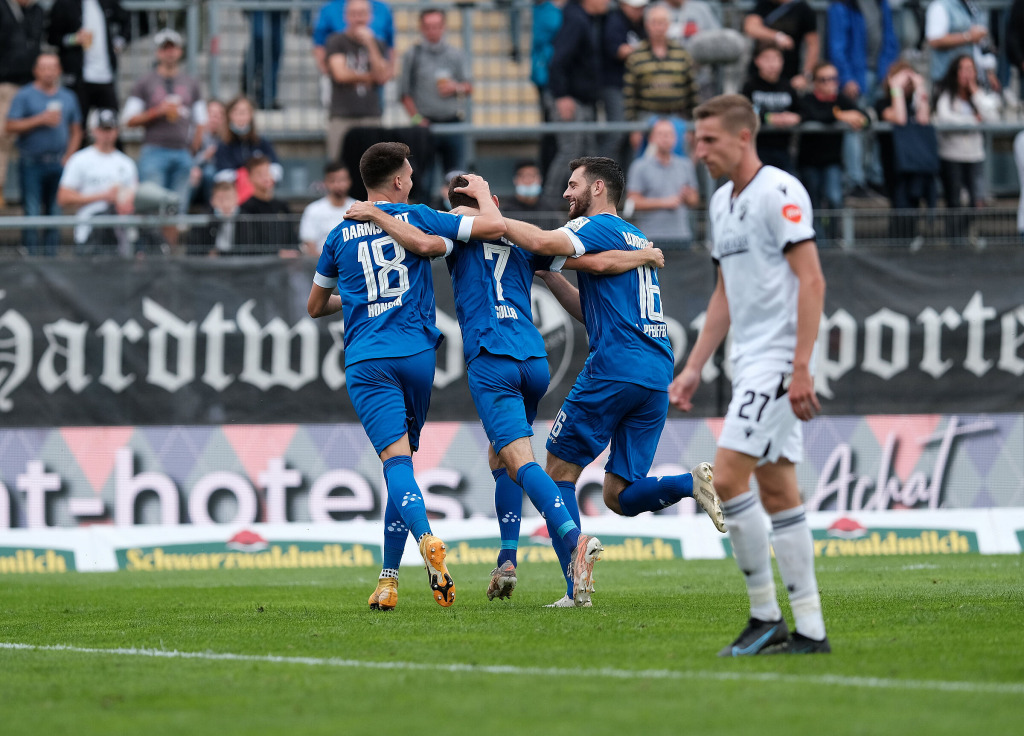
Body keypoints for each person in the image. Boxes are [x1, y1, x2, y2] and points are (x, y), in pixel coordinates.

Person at [502, 156, 726, 607]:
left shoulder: (595, 226)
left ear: (598, 188)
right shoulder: (634, 236)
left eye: (573, 184)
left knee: (557, 472)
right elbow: (592, 311)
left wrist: (494, 220)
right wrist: (549, 274)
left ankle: (575, 590)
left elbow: (544, 240)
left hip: (615, 366)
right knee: (618, 496)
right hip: (655, 371)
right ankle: (691, 484)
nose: (566, 193)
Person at [306, 141, 505, 610]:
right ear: (397, 181)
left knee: (395, 465)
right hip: (417, 354)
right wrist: (482, 194)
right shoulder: (419, 216)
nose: (412, 180)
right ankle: (388, 580)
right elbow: (494, 227)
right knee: (403, 466)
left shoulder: (338, 235)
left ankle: (426, 538)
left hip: (369, 360)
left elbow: (315, 306)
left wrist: (357, 297)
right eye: (410, 174)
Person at [671, 93, 829, 656]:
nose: (700, 150)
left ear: (744, 136)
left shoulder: (779, 192)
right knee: (778, 489)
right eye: (697, 140)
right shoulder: (721, 203)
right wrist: (694, 366)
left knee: (729, 477)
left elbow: (812, 280)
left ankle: (765, 616)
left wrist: (801, 365)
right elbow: (724, 293)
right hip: (749, 360)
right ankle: (810, 630)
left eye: (710, 139)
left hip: (780, 361)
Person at [122, 28, 207, 227]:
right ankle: (154, 246)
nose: (169, 53)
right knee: (152, 207)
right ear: (158, 52)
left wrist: (193, 149)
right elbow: (128, 119)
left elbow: (201, 120)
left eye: (173, 48)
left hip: (182, 152)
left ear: (180, 51)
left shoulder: (191, 82)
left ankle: (171, 246)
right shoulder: (144, 82)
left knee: (178, 210)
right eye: (165, 48)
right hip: (154, 150)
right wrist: (157, 112)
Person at [6, 52, 82, 256]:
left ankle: (51, 259)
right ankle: (31, 258)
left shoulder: (68, 96)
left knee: (55, 213)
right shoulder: (24, 95)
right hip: (31, 162)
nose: (48, 72)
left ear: (59, 70)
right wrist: (39, 120)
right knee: (31, 212)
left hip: (59, 162)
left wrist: (70, 156)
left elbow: (76, 130)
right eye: (44, 68)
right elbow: (10, 126)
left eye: (52, 67)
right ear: (36, 71)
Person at [827, 0, 900, 198]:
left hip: (880, 75)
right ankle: (855, 180)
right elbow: (837, 46)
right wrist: (846, 77)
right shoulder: (841, 6)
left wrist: (888, 71)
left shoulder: (881, 4)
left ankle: (875, 177)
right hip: (856, 77)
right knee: (855, 126)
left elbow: (890, 39)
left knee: (878, 127)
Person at [399, 8, 472, 197]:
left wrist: (455, 87)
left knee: (457, 181)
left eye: (437, 26)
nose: (433, 31)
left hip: (452, 122)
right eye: (428, 26)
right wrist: (417, 119)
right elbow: (404, 93)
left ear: (444, 27)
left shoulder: (455, 54)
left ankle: (455, 215)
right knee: (423, 180)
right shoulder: (413, 55)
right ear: (422, 28)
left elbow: (468, 86)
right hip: (425, 126)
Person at [544, 0, 612, 200]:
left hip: (581, 99)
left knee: (586, 155)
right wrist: (561, 96)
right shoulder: (575, 20)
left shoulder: (584, 18)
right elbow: (557, 61)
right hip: (570, 100)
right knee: (570, 152)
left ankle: (585, 202)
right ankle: (548, 203)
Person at [931, 54, 1001, 247]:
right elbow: (944, 118)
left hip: (975, 155)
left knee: (976, 201)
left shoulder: (979, 94)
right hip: (951, 155)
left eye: (970, 69)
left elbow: (992, 118)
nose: (966, 74)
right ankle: (954, 239)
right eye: (962, 69)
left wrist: (975, 92)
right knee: (954, 200)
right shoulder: (947, 93)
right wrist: (972, 121)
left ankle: (963, 233)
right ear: (956, 72)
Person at [797, 61, 868, 241]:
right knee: (813, 202)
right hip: (809, 162)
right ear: (815, 82)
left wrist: (859, 119)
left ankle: (832, 237)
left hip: (832, 162)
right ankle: (818, 241)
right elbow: (815, 115)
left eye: (834, 79)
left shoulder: (841, 100)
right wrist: (841, 115)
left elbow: (865, 118)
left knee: (835, 198)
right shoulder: (807, 99)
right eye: (824, 79)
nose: (830, 84)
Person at [56, 107, 136, 255]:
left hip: (119, 236)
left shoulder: (126, 163)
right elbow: (63, 197)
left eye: (110, 129)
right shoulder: (79, 159)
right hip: (88, 233)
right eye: (103, 129)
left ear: (117, 131)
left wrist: (122, 200)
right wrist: (103, 196)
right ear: (93, 130)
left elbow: (133, 197)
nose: (107, 134)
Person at [875, 60, 937, 250]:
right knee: (899, 203)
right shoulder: (882, 103)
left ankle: (910, 239)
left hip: (915, 163)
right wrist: (896, 89)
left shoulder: (915, 102)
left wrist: (920, 87)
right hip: (894, 164)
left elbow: (923, 119)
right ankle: (898, 243)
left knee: (914, 201)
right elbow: (900, 118)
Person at [623, 1, 700, 152]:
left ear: (669, 25)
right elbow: (629, 94)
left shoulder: (682, 54)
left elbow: (692, 91)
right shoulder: (637, 56)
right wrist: (634, 128)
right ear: (647, 25)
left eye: (662, 22)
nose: (658, 27)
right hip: (646, 120)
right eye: (655, 23)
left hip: (678, 119)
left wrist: (692, 126)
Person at [47, 0, 134, 131]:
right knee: (77, 127)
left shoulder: (106, 2)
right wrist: (74, 39)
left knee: (110, 125)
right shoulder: (64, 4)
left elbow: (127, 20)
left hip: (105, 75)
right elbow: (52, 37)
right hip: (77, 78)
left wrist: (118, 43)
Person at [324, 0, 393, 163]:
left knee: (373, 167)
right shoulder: (336, 41)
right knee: (338, 166)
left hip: (371, 115)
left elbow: (382, 76)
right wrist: (371, 76)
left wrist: (370, 44)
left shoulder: (378, 43)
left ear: (370, 16)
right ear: (346, 17)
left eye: (362, 14)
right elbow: (340, 74)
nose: (358, 19)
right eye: (353, 14)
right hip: (341, 115)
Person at [625, 118, 699, 247]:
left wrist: (688, 196)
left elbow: (694, 200)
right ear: (651, 139)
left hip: (681, 236)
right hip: (649, 238)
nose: (665, 138)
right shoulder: (639, 166)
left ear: (675, 139)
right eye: (661, 134)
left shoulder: (686, 165)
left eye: (669, 134)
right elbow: (632, 202)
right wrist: (664, 202)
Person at [0, 0, 45, 209]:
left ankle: (33, 193)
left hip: (31, 83)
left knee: (35, 137)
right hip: (7, 82)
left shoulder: (35, 11)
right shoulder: (3, 8)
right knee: (3, 137)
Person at [741, 42, 801, 173]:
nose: (772, 64)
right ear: (757, 61)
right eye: (767, 59)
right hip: (757, 149)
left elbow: (801, 109)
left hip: (784, 149)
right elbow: (744, 111)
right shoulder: (750, 86)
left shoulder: (787, 87)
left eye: (776, 59)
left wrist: (796, 117)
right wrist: (768, 117)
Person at [602, 0, 648, 161]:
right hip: (616, 85)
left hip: (634, 88)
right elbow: (618, 50)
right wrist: (645, 50)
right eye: (636, 8)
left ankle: (625, 174)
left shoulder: (639, 23)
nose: (639, 11)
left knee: (632, 138)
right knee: (617, 133)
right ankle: (604, 171)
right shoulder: (615, 21)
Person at [743, 0, 819, 94]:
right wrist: (777, 36)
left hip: (789, 73)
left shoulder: (803, 9)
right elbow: (750, 27)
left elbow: (813, 45)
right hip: (760, 75)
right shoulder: (763, 4)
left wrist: (806, 75)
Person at [213, 95, 280, 202]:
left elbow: (276, 168)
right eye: (237, 112)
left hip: (261, 192)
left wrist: (260, 176)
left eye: (244, 112)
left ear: (251, 115)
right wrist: (243, 176)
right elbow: (222, 174)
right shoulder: (224, 145)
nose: (241, 117)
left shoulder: (262, 142)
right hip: (234, 194)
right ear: (229, 115)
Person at [530, 0, 566, 177]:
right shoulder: (548, 11)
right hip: (549, 78)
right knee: (553, 134)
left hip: (548, 76)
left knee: (553, 133)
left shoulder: (547, 10)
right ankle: (549, 180)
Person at [236, 155, 297, 256]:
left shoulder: (282, 206)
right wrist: (277, 254)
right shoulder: (246, 208)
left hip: (287, 262)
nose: (265, 177)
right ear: (250, 178)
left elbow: (293, 237)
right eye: (259, 174)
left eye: (267, 172)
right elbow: (248, 245)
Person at [924, 0, 996, 86]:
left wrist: (989, 72)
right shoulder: (940, 5)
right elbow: (935, 40)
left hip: (973, 79)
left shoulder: (971, 5)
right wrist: (968, 37)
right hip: (947, 81)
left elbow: (979, 45)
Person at [299, 161, 357, 255]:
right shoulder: (313, 210)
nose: (338, 185)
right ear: (325, 183)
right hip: (321, 262)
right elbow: (309, 245)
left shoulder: (359, 208)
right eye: (332, 181)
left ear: (349, 181)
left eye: (342, 180)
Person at [243, 6, 286, 110]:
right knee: (261, 38)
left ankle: (267, 98)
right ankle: (247, 82)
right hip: (258, 5)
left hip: (279, 8)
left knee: (275, 50)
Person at [501, 159, 565, 228]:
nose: (528, 181)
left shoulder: (549, 209)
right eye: (524, 176)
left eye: (532, 176)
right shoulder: (506, 210)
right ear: (515, 180)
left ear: (540, 179)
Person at [188, 176, 239, 256]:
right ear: (212, 201)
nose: (225, 204)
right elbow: (193, 250)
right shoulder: (203, 221)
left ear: (237, 199)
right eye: (220, 199)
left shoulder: (247, 219)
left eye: (229, 198)